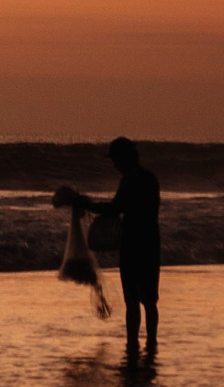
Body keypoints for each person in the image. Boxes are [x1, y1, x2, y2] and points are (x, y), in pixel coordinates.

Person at [67, 137, 160, 355]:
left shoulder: (130, 180)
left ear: (125, 158)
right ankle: (152, 343)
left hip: (133, 243)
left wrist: (88, 204)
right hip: (151, 241)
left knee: (132, 300)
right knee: (149, 299)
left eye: (116, 160)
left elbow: (115, 208)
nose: (115, 164)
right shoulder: (150, 178)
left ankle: (132, 345)